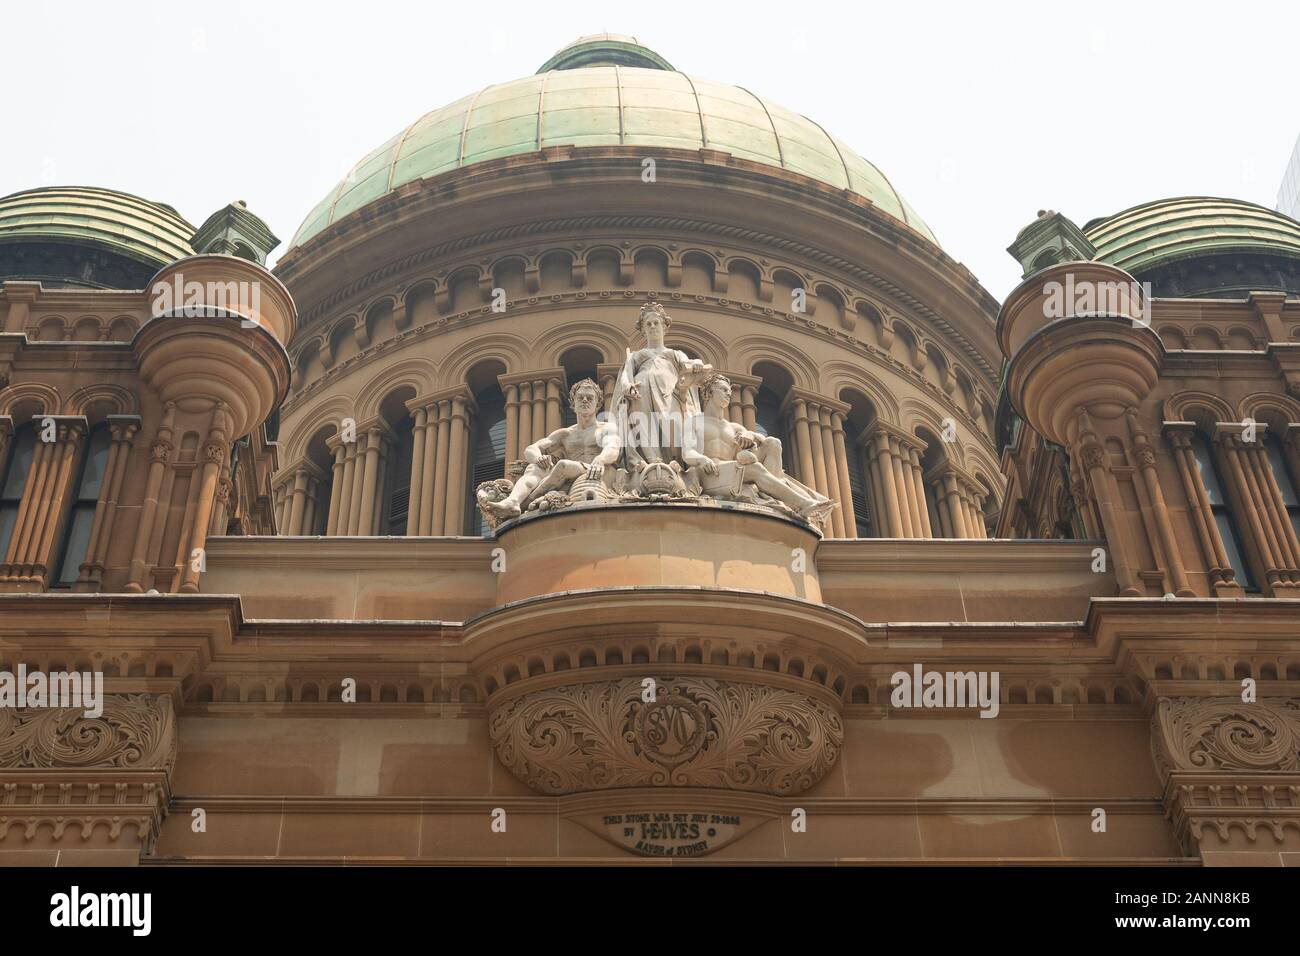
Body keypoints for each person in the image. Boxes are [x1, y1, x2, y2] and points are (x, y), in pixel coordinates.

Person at [682, 372, 835, 523]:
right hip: (711, 474)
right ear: (709, 392)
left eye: (729, 391)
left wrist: (750, 435)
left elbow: (760, 440)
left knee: (773, 443)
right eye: (723, 389)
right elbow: (687, 452)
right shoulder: (694, 422)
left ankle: (774, 495)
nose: (728, 394)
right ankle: (803, 503)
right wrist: (701, 459)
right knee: (754, 469)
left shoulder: (733, 427)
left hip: (731, 470)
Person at [478, 378, 621, 520]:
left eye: (590, 398)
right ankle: (513, 501)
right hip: (571, 473)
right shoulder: (565, 434)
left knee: (563, 465)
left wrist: (601, 459)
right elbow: (531, 449)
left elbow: (612, 447)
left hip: (598, 472)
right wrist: (538, 458)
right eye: (580, 397)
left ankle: (524, 504)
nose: (585, 400)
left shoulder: (606, 428)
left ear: (598, 404)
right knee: (535, 468)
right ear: (573, 403)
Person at [611, 301, 712, 468]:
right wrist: (627, 386)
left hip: (669, 393)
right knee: (643, 425)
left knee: (672, 425)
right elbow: (625, 375)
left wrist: (697, 363)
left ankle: (676, 462)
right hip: (640, 393)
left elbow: (691, 364)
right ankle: (650, 462)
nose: (652, 326)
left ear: (665, 327)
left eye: (656, 323)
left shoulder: (674, 354)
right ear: (643, 330)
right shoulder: (637, 355)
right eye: (648, 324)